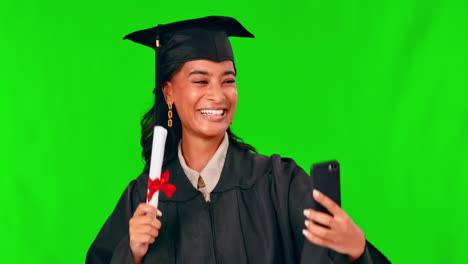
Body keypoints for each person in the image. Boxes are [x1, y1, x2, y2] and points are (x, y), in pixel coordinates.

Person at [86, 16, 390, 264]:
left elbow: (325, 256)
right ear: (169, 93)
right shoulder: (144, 196)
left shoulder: (278, 183)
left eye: (228, 80)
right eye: (201, 80)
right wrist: (131, 255)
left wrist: (356, 251)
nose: (218, 95)